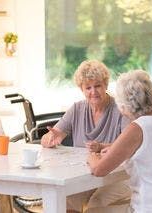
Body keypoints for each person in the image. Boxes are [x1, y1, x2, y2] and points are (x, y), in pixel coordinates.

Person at [41, 60, 130, 213]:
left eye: (97, 86)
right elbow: (51, 136)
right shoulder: (77, 108)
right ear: (81, 89)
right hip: (83, 174)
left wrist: (103, 147)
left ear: (106, 85)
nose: (93, 92)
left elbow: (128, 145)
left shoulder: (120, 109)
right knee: (66, 198)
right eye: (88, 87)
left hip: (116, 175)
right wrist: (49, 139)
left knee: (97, 203)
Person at [87, 70, 152, 212]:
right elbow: (146, 147)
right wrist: (112, 148)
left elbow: (99, 170)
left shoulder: (137, 127)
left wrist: (92, 156)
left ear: (123, 105)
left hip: (147, 209)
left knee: (92, 211)